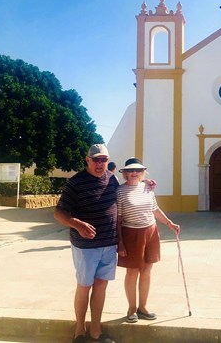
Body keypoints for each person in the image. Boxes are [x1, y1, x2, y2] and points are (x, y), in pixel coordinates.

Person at [54, 144, 118, 343]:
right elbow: (59, 213)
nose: (100, 164)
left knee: (101, 287)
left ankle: (95, 332)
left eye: (103, 160)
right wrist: (76, 224)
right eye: (96, 160)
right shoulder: (76, 182)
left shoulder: (112, 179)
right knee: (84, 286)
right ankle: (79, 331)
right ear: (87, 160)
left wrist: (146, 185)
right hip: (86, 247)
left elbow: (125, 195)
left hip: (109, 244)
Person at [116, 157, 180, 323]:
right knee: (132, 272)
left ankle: (143, 307)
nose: (134, 173)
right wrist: (120, 242)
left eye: (137, 170)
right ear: (125, 173)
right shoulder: (120, 191)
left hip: (150, 232)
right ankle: (131, 308)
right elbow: (118, 219)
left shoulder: (147, 188)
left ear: (143, 172)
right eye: (130, 170)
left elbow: (155, 209)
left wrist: (170, 223)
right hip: (131, 234)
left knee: (146, 270)